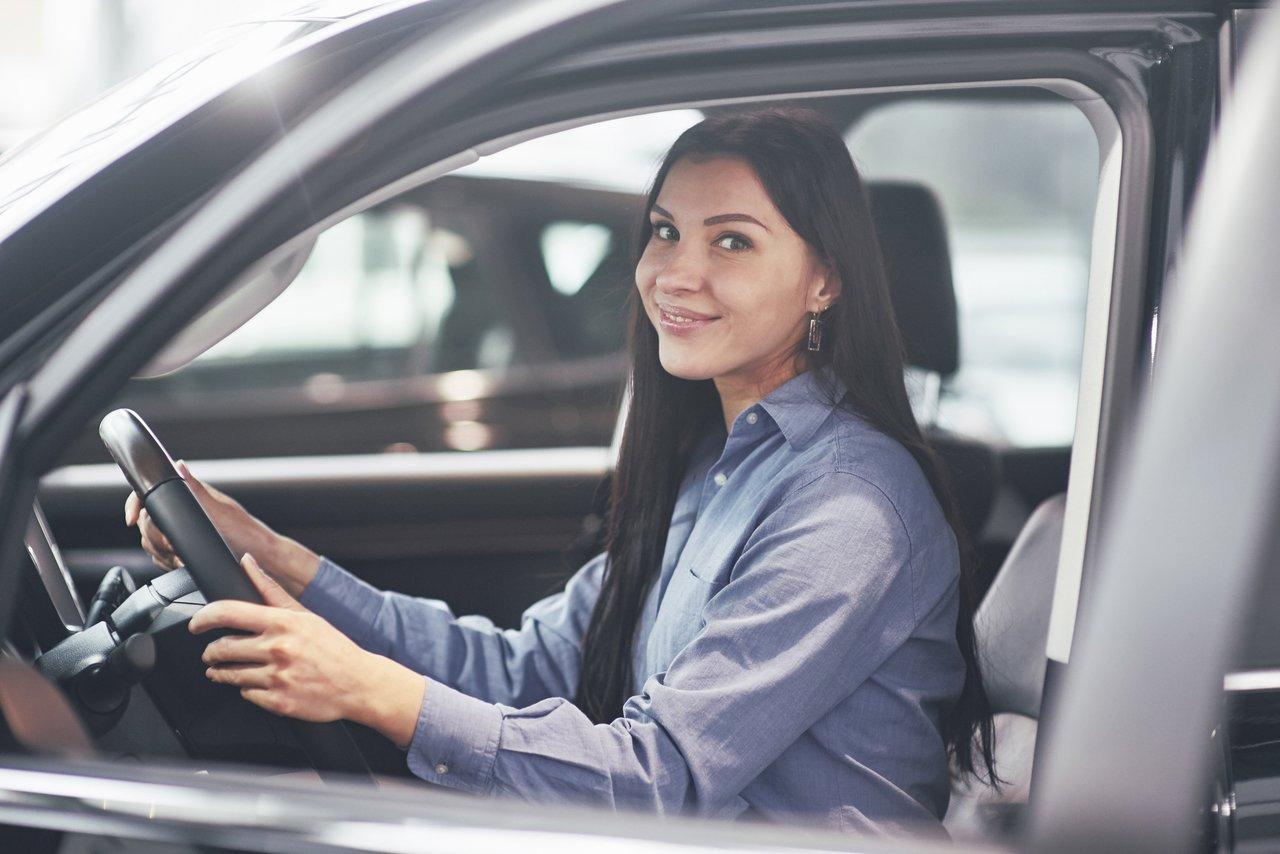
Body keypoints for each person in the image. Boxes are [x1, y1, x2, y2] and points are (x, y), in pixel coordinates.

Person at [125, 107, 997, 836]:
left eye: (732, 242)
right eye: (665, 232)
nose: (675, 274)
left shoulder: (851, 507)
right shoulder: (716, 467)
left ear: (824, 282)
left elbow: (657, 778)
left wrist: (367, 689)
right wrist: (279, 557)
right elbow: (524, 669)